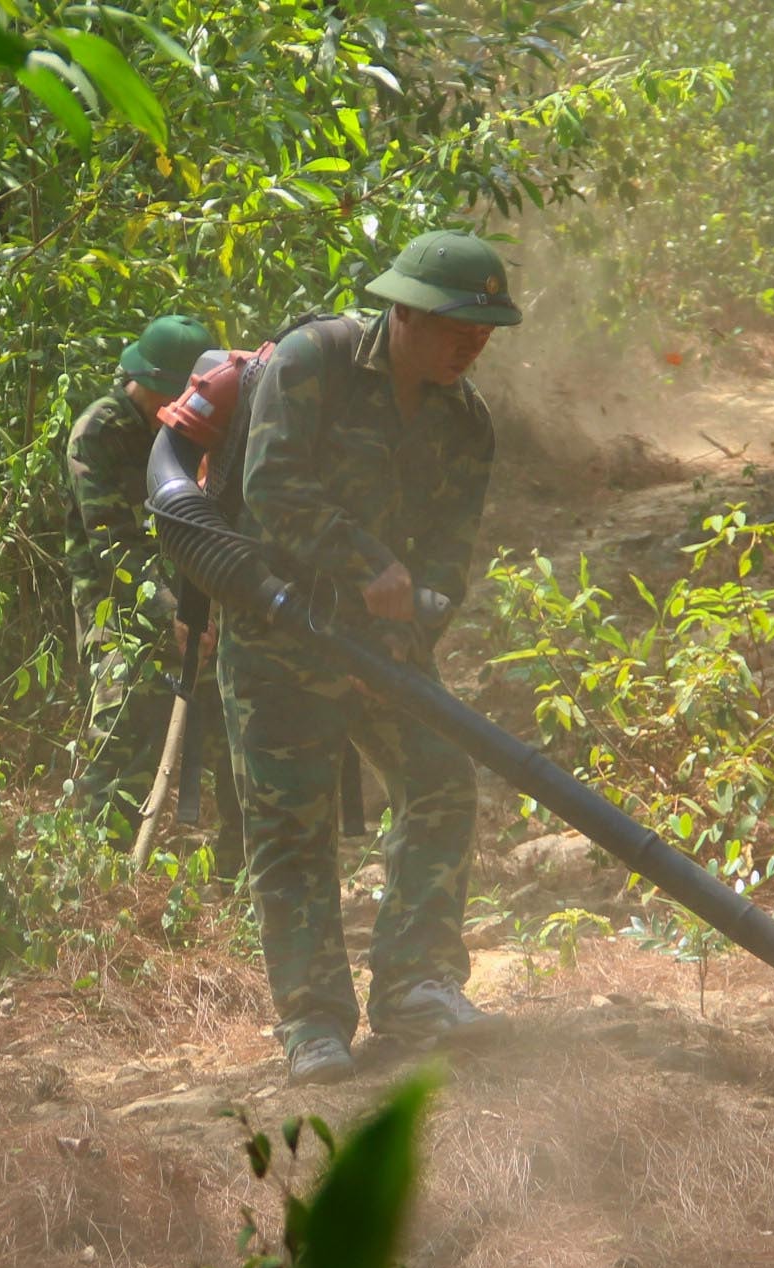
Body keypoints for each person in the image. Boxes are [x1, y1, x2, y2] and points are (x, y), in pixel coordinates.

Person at [226, 231, 517, 1084]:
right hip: (277, 634)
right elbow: (269, 488)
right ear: (404, 312)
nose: (474, 344)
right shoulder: (313, 362)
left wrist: (400, 633)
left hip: (382, 649)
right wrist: (366, 567)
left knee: (439, 778)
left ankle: (417, 985)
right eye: (459, 326)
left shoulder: (467, 424)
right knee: (292, 819)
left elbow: (445, 564)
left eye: (486, 331)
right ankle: (313, 1023)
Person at [63, 314, 238, 860]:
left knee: (235, 731)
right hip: (117, 601)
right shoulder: (101, 431)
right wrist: (171, 615)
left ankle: (239, 871)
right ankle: (100, 872)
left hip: (199, 597)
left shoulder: (206, 424)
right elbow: (112, 544)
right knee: (123, 726)